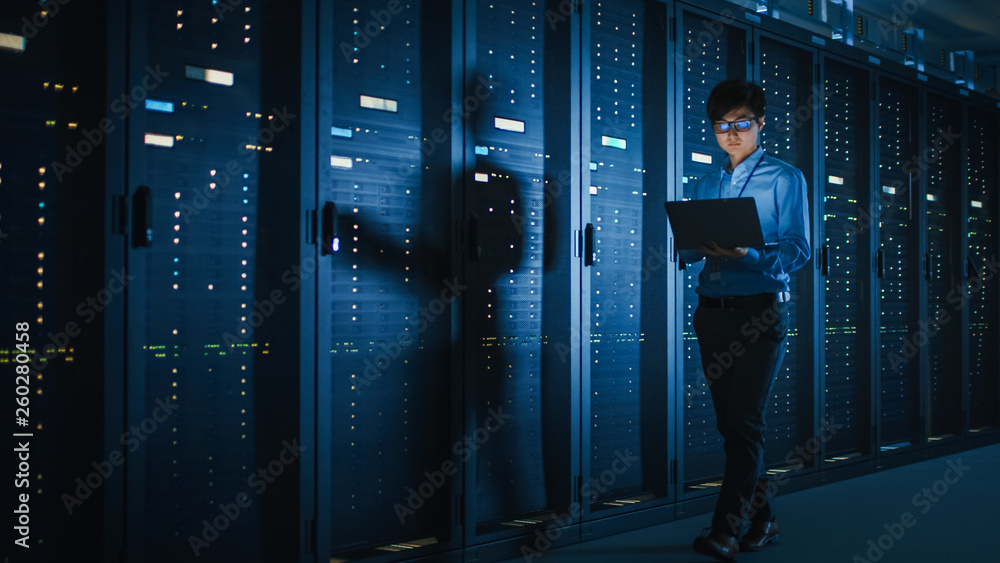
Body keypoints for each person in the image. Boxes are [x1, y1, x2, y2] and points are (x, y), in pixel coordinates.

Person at [679, 79, 810, 561]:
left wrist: (749, 253)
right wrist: (692, 245)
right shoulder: (706, 183)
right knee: (731, 426)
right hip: (710, 314)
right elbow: (693, 249)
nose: (731, 134)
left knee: (745, 421)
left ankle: (725, 530)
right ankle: (764, 519)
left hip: (759, 312)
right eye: (721, 126)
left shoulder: (784, 178)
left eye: (741, 124)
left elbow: (799, 250)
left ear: (760, 124)